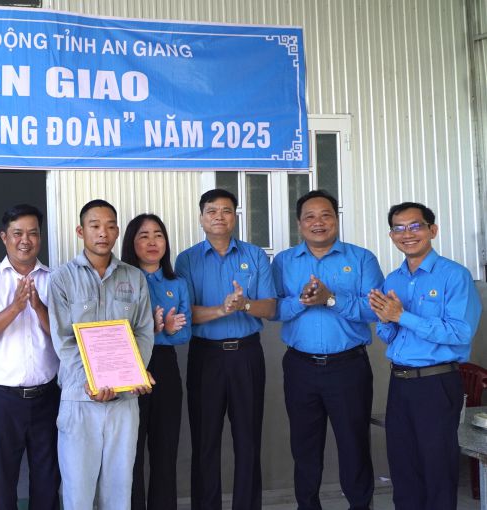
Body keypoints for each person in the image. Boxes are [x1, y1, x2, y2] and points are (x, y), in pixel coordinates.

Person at [271, 189, 383, 510]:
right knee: (304, 448)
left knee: (354, 445)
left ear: (336, 219)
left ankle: (360, 506)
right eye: (310, 216)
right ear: (299, 223)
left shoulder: (361, 259)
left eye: (325, 215)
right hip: (300, 367)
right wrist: (301, 301)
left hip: (348, 368)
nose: (318, 223)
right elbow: (274, 309)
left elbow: (375, 310)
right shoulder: (284, 262)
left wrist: (331, 299)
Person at [369, 202, 481, 510]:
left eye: (415, 226)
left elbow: (460, 332)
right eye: (398, 228)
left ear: (432, 230)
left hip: (437, 383)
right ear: (392, 235)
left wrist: (402, 315)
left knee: (437, 469)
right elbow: (390, 336)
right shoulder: (393, 280)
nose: (407, 234)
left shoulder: (454, 276)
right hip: (400, 382)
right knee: (403, 468)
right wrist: (385, 318)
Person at [48, 199, 155, 510]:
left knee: (119, 491)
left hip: (125, 401)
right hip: (80, 399)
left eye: (110, 226)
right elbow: (64, 340)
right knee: (78, 492)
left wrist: (134, 373)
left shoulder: (134, 278)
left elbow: (144, 332)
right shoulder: (62, 279)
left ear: (118, 231)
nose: (103, 233)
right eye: (95, 226)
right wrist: (91, 382)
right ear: (81, 231)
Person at [174, 189, 275, 510]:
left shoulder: (254, 255)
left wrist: (245, 304)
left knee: (248, 441)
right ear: (201, 217)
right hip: (205, 357)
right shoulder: (187, 259)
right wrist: (224, 309)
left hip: (247, 355)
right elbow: (186, 312)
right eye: (212, 211)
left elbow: (270, 307)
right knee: (205, 442)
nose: (219, 216)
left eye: (227, 210)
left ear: (236, 216)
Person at [0, 204, 60, 510]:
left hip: (47, 396)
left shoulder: (54, 279)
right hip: (1, 400)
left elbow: (64, 337)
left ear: (40, 238)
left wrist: (37, 307)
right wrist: (16, 308)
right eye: (18, 233)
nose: (26, 240)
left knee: (47, 479)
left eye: (33, 233)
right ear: (4, 237)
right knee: (1, 481)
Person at [122, 213, 191, 510]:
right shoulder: (120, 280)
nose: (152, 242)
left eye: (158, 235)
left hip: (164, 365)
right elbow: (110, 329)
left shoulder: (178, 283)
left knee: (165, 451)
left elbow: (185, 332)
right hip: (128, 366)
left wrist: (170, 331)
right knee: (130, 453)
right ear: (131, 243)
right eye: (144, 235)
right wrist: (148, 330)